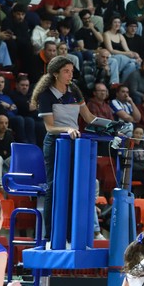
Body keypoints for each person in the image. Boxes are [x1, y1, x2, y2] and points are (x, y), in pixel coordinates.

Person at [30, 56, 101, 241]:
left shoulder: (74, 90)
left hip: (75, 143)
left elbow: (88, 117)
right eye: (66, 71)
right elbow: (50, 127)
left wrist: (110, 125)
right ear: (55, 74)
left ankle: (70, 235)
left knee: (74, 187)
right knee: (54, 187)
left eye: (71, 71)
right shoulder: (46, 95)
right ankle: (50, 235)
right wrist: (68, 128)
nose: (70, 75)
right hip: (56, 143)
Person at [103, 14, 140, 82]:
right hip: (110, 57)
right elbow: (111, 50)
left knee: (132, 65)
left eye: (119, 22)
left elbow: (128, 50)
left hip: (121, 60)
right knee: (120, 57)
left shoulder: (120, 36)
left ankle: (123, 84)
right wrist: (125, 54)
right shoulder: (106, 34)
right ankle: (134, 61)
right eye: (115, 22)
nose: (117, 24)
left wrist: (135, 55)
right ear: (111, 23)